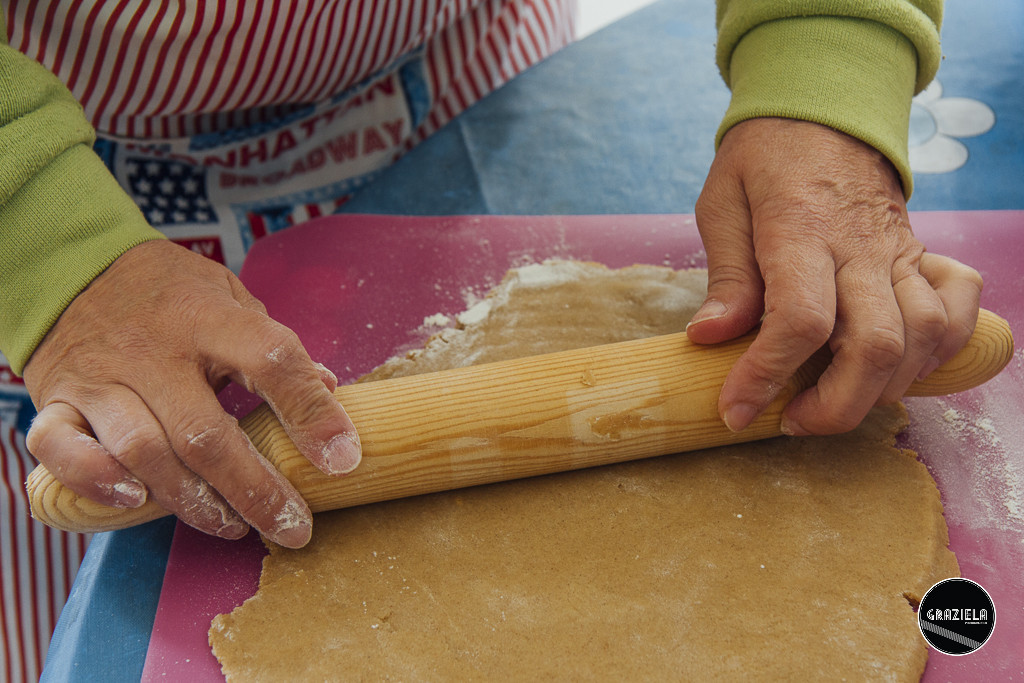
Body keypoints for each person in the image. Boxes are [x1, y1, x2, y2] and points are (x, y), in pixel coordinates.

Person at [0, 0, 981, 674]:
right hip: (72, 170)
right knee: (120, 496)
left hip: (465, 76)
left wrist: (825, 61)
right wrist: (48, 245)